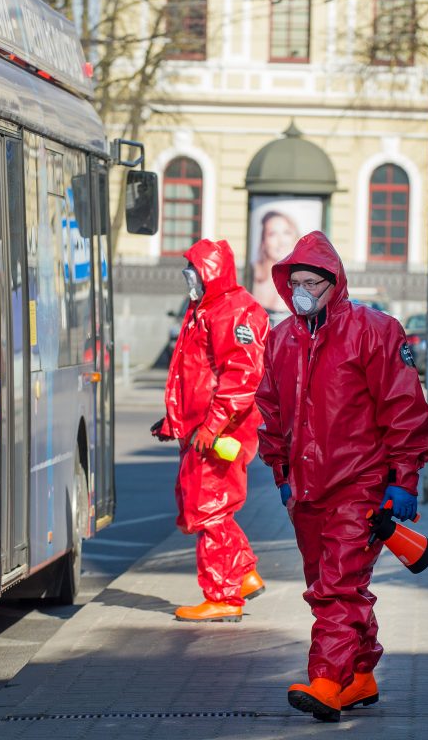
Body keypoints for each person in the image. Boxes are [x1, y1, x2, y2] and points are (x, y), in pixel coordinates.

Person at [254, 230, 428, 722]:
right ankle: (359, 676)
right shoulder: (281, 339)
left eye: (313, 281)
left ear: (335, 283)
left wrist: (403, 480)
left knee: (335, 587)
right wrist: (282, 474)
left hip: (361, 484)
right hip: (307, 490)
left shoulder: (374, 331)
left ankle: (328, 682)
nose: (303, 291)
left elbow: (404, 409)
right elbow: (270, 411)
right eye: (295, 282)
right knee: (334, 584)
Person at [151, 238, 270, 622]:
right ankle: (243, 575)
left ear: (212, 273)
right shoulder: (208, 309)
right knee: (211, 508)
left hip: (219, 434)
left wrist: (213, 425)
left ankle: (224, 595)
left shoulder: (233, 312)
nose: (190, 278)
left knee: (210, 510)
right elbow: (192, 375)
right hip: (205, 431)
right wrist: (176, 421)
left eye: (196, 271)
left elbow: (242, 378)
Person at [251, 210, 298, 313]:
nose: (281, 241)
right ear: (263, 241)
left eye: (287, 233)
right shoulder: (250, 273)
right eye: (272, 234)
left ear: (295, 238)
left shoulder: (306, 277)